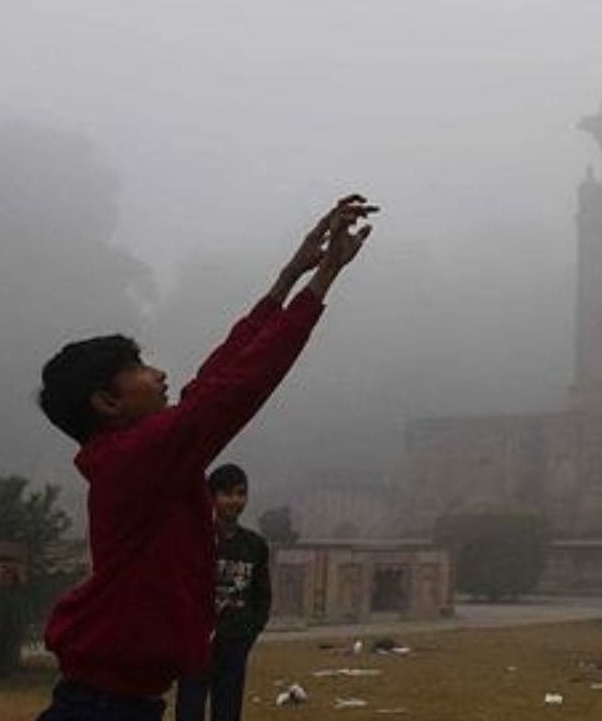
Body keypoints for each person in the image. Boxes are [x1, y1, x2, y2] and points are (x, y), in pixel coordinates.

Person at [34, 195, 376, 721]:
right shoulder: (136, 460)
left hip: (118, 700)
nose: (160, 374)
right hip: (103, 708)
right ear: (107, 403)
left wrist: (290, 275)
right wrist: (324, 277)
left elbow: (217, 378)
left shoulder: (141, 459)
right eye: (141, 367)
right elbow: (237, 388)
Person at [174, 464, 271, 721]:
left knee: (228, 711)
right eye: (227, 494)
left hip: (234, 643)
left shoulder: (255, 546)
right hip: (197, 645)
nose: (235, 500)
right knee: (189, 710)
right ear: (212, 497)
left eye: (241, 493)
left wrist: (250, 631)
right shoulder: (195, 540)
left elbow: (262, 596)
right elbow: (178, 587)